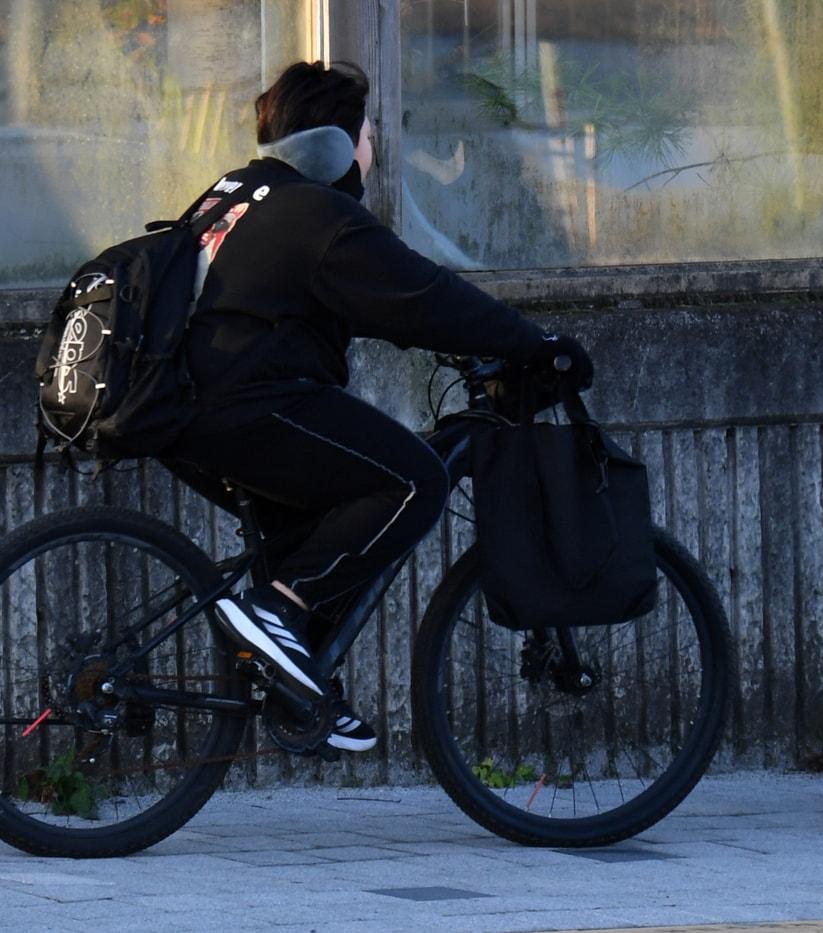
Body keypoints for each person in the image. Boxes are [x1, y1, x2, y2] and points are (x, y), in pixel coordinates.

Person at [161, 61, 592, 753]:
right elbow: (423, 296)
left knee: (322, 522)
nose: (373, 149)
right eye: (366, 132)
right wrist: (537, 345)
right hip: (245, 405)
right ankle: (277, 612)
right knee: (414, 478)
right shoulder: (319, 212)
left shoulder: (236, 195)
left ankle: (303, 686)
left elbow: (335, 299)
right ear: (333, 142)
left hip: (184, 410)